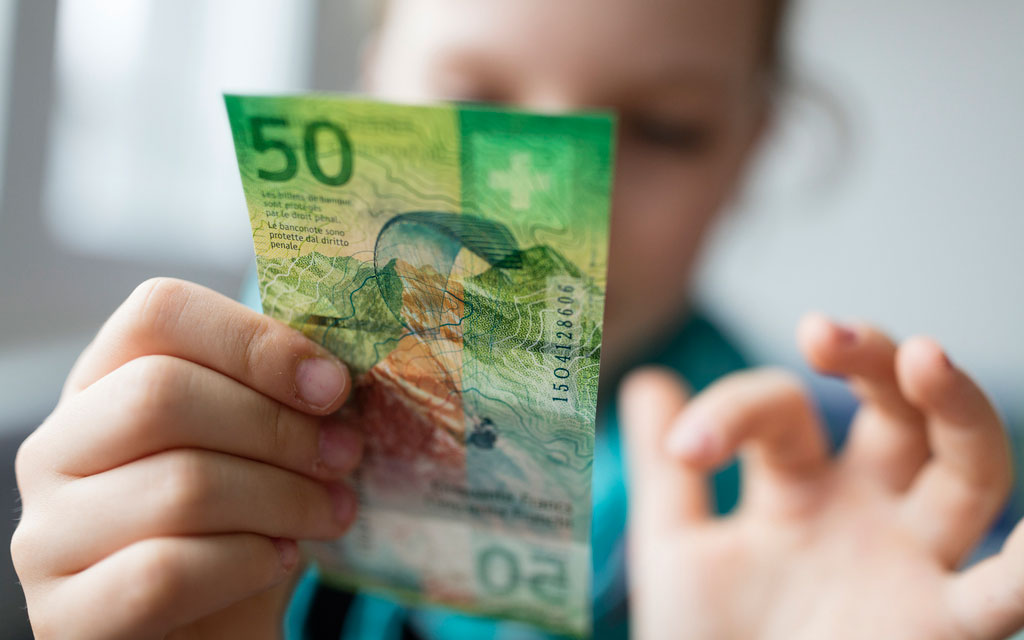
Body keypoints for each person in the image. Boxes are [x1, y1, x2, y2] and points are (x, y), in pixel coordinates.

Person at [11, 0, 1024, 638]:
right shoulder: (172, 442)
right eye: (473, 100)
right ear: (372, 79)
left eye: (664, 130)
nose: (546, 205)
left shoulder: (816, 512)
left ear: (748, 154)